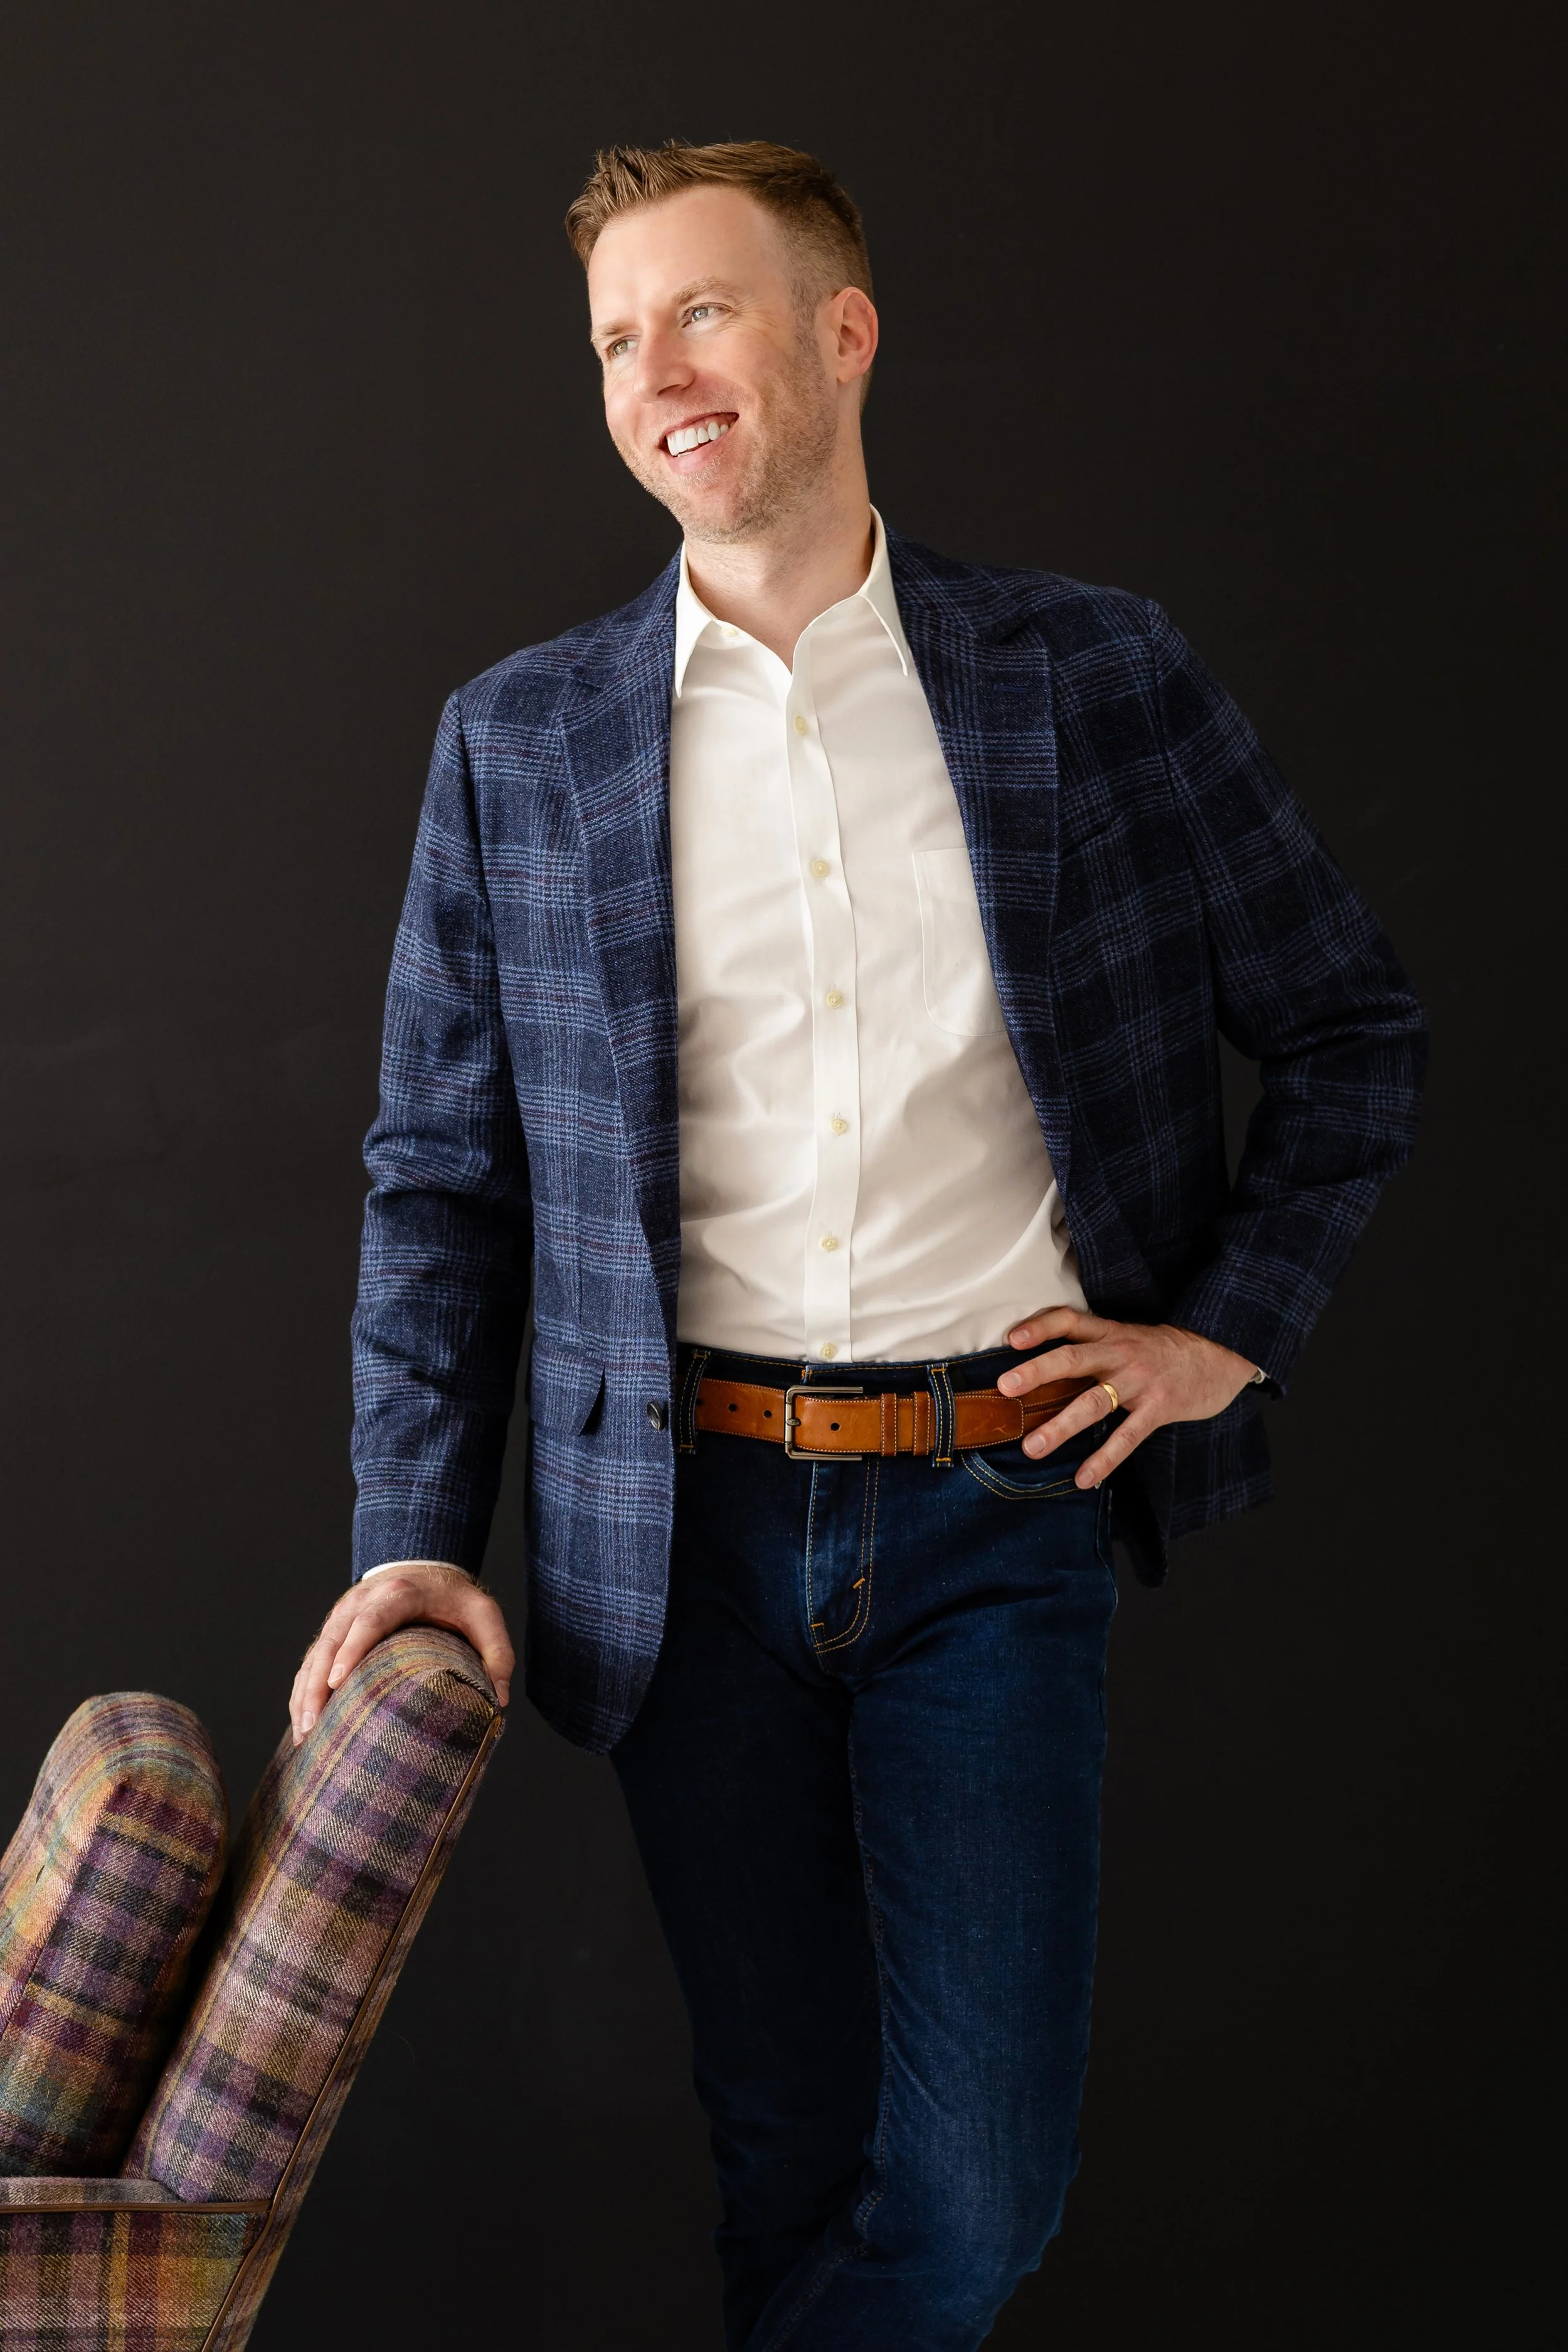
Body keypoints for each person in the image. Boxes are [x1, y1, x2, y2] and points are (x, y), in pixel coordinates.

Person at [289, 140, 1425, 2350]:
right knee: (783, 2159)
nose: (656, 374)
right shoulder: (519, 745)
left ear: (840, 330)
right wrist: (405, 1531)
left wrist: (1220, 1335)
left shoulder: (1087, 678)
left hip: (998, 1513)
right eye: (618, 340)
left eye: (701, 311)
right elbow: (442, 1176)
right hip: (679, 1540)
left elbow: (1350, 1027)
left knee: (971, 2194)